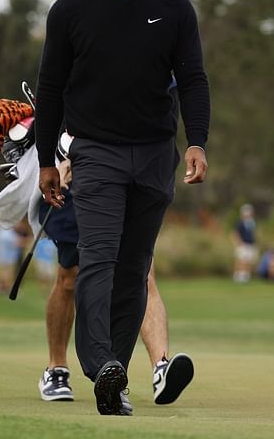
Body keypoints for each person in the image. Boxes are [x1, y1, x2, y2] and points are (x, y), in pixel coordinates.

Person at [35, 0, 210, 416]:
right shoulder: (71, 9)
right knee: (99, 258)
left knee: (134, 269)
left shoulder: (173, 7)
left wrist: (196, 141)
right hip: (98, 153)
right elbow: (49, 88)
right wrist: (47, 159)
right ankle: (102, 364)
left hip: (156, 154)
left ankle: (114, 376)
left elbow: (195, 80)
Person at [37, 158, 193, 411]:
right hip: (74, 183)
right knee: (69, 278)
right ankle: (57, 367)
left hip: (125, 174)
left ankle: (160, 367)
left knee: (141, 271)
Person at [0, 221, 28, 293]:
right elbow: (17, 242)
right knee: (7, 272)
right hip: (8, 256)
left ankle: (2, 286)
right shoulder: (7, 233)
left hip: (3, 254)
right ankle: (5, 287)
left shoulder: (0, 231)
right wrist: (26, 242)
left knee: (4, 271)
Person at [231, 203, 258, 283]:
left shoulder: (252, 223)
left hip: (250, 244)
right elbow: (234, 233)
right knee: (241, 260)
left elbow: (253, 233)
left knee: (248, 260)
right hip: (243, 244)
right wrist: (238, 243)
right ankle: (237, 276)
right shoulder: (240, 223)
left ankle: (245, 276)